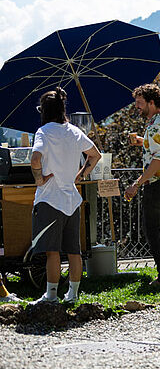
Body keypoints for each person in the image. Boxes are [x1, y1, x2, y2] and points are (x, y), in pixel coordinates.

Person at [30, 87, 101, 304]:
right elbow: (95, 155)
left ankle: (51, 295)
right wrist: (80, 175)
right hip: (72, 199)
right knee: (74, 251)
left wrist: (39, 178)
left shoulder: (43, 131)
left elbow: (35, 159)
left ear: (44, 110)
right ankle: (73, 294)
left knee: (52, 252)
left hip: (50, 198)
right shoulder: (74, 131)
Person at [124, 84, 160, 286]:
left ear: (151, 102)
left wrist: (137, 184)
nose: (137, 107)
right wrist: (143, 141)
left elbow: (157, 160)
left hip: (155, 182)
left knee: (151, 229)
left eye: (139, 103)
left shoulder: (155, 126)